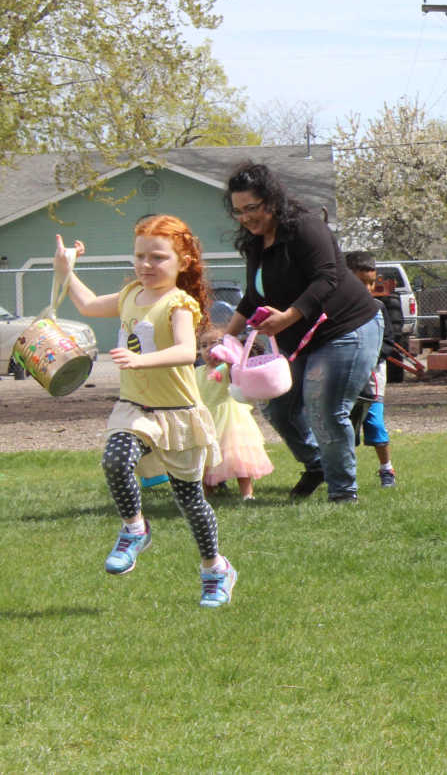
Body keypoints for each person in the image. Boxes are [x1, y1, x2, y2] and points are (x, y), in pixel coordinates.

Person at [53, 221, 238, 607]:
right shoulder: (130, 294)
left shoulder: (179, 303)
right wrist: (66, 270)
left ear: (183, 262)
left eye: (158, 257)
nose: (146, 264)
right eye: (140, 256)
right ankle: (135, 529)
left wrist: (140, 360)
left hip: (178, 415)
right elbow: (87, 305)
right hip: (135, 408)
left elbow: (186, 351)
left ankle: (215, 569)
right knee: (115, 460)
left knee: (190, 501)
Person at [223, 162, 383, 503]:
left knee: (324, 407)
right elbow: (253, 296)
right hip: (300, 338)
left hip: (345, 327)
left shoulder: (306, 228)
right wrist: (225, 339)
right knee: (277, 408)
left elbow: (327, 278)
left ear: (271, 200)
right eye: (238, 211)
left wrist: (288, 317)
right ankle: (318, 464)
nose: (245, 218)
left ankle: (343, 494)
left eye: (251, 208)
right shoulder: (255, 243)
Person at [345, 250, 402, 488]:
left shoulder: (378, 308)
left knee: (375, 424)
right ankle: (344, 474)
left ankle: (386, 469)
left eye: (370, 283)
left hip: (371, 378)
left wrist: (368, 358)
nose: (367, 289)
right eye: (360, 283)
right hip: (344, 378)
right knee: (344, 427)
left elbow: (388, 341)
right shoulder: (337, 309)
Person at [198, 328, 273, 501]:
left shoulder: (229, 368)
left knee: (239, 457)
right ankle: (208, 492)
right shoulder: (197, 372)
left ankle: (247, 494)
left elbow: (238, 371)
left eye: (214, 344)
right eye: (203, 345)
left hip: (231, 419)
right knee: (207, 458)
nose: (208, 349)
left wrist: (229, 358)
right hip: (208, 418)